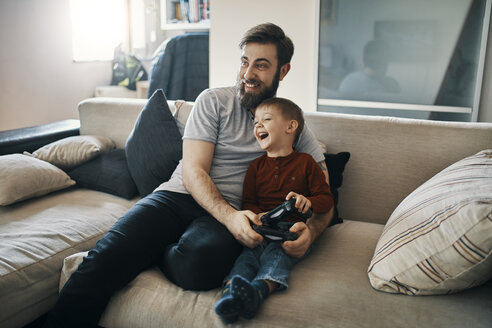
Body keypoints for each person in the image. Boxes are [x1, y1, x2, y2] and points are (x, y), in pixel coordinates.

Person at [43, 23, 334, 328]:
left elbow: (326, 195)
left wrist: (311, 232)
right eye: (245, 62)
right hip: (176, 198)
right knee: (104, 258)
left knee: (198, 267)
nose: (248, 74)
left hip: (228, 214)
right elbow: (194, 171)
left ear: (282, 71)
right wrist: (229, 218)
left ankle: (153, 250)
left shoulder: (292, 125)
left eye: (261, 65)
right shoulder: (214, 101)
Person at [214, 97, 333, 324]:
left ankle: (259, 290)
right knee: (246, 259)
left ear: (290, 127)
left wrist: (309, 201)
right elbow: (248, 202)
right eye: (255, 121)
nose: (258, 125)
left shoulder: (306, 163)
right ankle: (230, 296)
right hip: (262, 228)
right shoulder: (255, 167)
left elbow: (326, 199)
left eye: (266, 119)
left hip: (291, 231)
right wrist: (256, 214)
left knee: (276, 255)